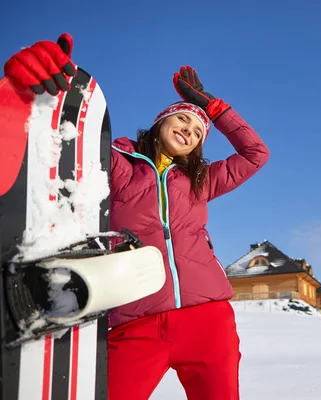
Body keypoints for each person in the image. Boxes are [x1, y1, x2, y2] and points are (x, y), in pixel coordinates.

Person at [3, 33, 270, 400]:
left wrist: (211, 107)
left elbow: (255, 153)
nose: (188, 132)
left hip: (207, 321)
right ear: (159, 124)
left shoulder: (200, 181)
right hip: (134, 319)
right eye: (181, 119)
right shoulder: (117, 163)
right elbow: (61, 142)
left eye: (197, 132)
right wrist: (28, 96)